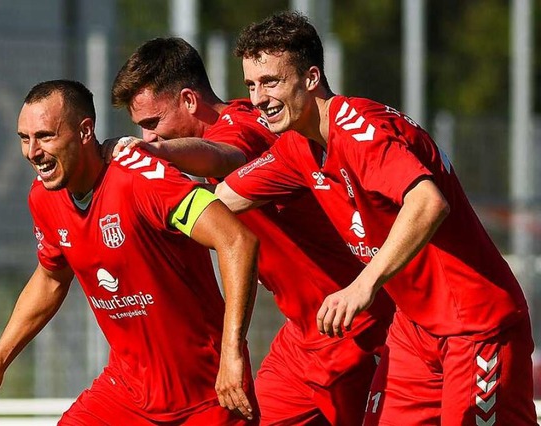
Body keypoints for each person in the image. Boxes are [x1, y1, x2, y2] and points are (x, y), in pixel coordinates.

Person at [216, 11, 537, 425]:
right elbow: (221, 200)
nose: (258, 98)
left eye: (271, 82)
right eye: (251, 85)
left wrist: (362, 285)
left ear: (311, 78)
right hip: (415, 330)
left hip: (476, 325)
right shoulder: (297, 146)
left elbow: (427, 203)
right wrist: (141, 181)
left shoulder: (358, 127)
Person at [109, 37, 395, 426]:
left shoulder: (242, 127)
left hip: (355, 330)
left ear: (190, 101)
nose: (147, 139)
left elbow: (228, 156)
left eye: (152, 124)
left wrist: (154, 155)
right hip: (302, 339)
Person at [0, 79, 261, 425]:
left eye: (45, 136)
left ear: (85, 131)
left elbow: (237, 240)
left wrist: (231, 353)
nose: (33, 152)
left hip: (208, 397)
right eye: (24, 139)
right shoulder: (44, 198)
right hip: (126, 395)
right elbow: (50, 279)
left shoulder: (143, 179)